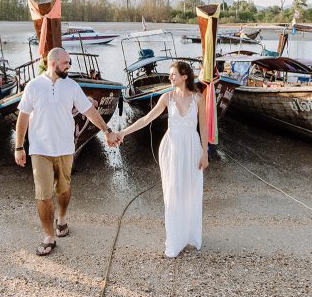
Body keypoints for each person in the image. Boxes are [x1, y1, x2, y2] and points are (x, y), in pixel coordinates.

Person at [15, 47, 119, 256]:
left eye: (69, 63)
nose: (69, 66)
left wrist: (107, 130)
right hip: (40, 150)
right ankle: (48, 236)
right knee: (43, 194)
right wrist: (18, 146)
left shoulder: (71, 86)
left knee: (63, 190)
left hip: (65, 148)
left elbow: (89, 111)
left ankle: (61, 217)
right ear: (53, 63)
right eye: (66, 63)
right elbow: (23, 118)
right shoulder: (33, 86)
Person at [118, 60, 208, 258]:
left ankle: (190, 235)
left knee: (191, 191)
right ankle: (175, 238)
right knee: (174, 191)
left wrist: (205, 153)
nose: (170, 78)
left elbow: (203, 128)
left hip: (192, 147)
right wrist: (123, 132)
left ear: (185, 76)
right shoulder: (166, 97)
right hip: (172, 148)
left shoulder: (199, 99)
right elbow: (145, 119)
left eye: (173, 74)